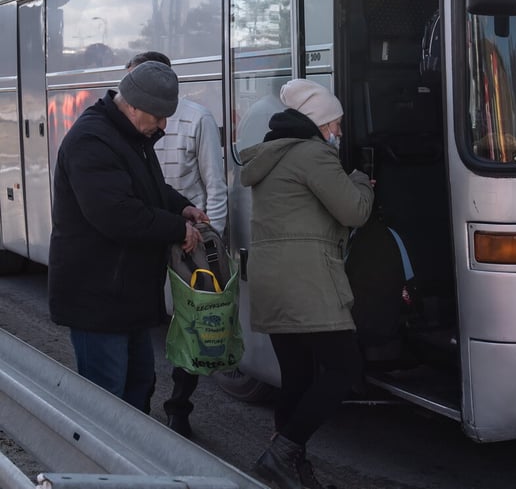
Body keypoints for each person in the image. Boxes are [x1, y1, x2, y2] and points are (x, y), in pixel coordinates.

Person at [48, 61, 207, 413]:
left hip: (125, 295)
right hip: (98, 298)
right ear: (132, 105)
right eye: (158, 116)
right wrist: (177, 229)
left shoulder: (131, 135)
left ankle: (133, 466)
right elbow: (117, 214)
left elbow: (147, 189)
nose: (163, 125)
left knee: (139, 386)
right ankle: (104, 467)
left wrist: (182, 207)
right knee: (108, 401)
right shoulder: (92, 140)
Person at [240, 78, 374, 489]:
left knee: (297, 377)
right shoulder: (313, 155)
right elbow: (353, 212)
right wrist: (363, 181)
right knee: (342, 369)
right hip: (308, 282)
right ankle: (283, 453)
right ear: (316, 122)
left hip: (273, 280)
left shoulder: (272, 154)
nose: (337, 133)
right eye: (333, 124)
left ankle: (290, 471)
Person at [126, 51, 228, 438]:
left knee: (190, 324)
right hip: (145, 235)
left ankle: (178, 407)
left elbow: (215, 186)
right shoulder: (127, 125)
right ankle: (143, 400)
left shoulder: (196, 118)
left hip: (188, 243)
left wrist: (211, 243)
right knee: (147, 322)